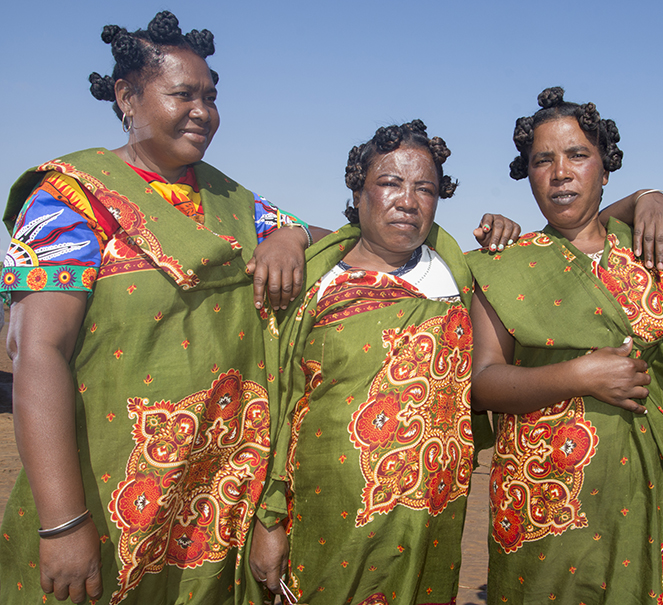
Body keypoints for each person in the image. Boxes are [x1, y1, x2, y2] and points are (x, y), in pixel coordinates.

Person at [0, 11, 315, 604]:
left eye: (211, 97)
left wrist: (291, 235)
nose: (203, 111)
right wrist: (63, 523)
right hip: (106, 499)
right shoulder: (71, 198)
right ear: (127, 97)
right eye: (183, 94)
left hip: (215, 509)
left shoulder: (233, 200)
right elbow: (36, 351)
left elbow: (334, 243)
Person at [254, 120, 520, 604]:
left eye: (426, 189)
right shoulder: (315, 281)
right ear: (358, 192)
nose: (408, 201)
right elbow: (276, 406)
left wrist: (506, 241)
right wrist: (269, 520)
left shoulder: (456, 273)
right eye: (390, 183)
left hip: (433, 516)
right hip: (328, 510)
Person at [467, 87, 663, 604]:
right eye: (542, 160)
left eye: (577, 155)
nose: (560, 173)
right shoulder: (503, 266)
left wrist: (648, 195)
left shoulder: (658, 255)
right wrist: (579, 376)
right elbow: (483, 383)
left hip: (656, 486)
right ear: (527, 173)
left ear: (605, 167)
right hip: (548, 499)